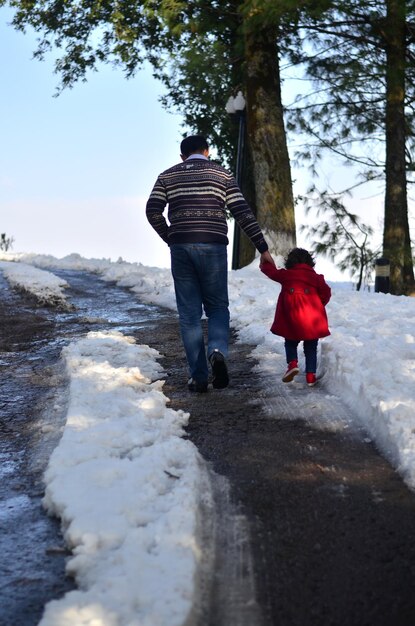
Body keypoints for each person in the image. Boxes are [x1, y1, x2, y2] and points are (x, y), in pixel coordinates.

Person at [146, 134, 275, 392]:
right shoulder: (221, 174)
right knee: (217, 307)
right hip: (214, 246)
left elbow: (152, 210)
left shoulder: (167, 176)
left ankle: (199, 376)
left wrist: (170, 237)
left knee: (189, 314)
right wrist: (263, 248)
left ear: (182, 156)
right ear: (207, 151)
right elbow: (242, 211)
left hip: (181, 248)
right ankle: (217, 350)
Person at [260, 247, 331, 387]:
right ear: (310, 262)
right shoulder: (316, 278)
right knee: (311, 346)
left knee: (291, 342)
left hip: (292, 319)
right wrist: (318, 304)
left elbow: (271, 272)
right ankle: (311, 376)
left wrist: (264, 262)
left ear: (290, 262)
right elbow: (326, 293)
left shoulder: (286, 275)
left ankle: (292, 363)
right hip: (312, 321)